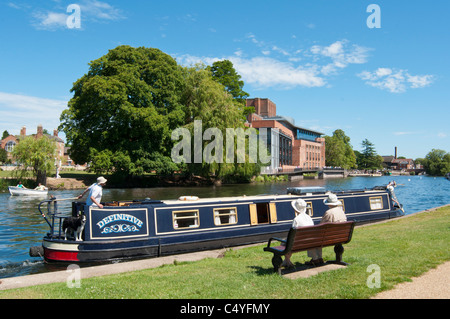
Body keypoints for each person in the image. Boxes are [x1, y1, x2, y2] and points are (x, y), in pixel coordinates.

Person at [307, 193, 347, 266]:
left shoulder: (328, 212)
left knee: (312, 238)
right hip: (342, 236)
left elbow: (321, 226)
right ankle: (319, 258)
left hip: (330, 238)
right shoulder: (342, 211)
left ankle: (316, 258)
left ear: (329, 204)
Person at [282, 198, 314, 268]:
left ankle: (287, 261)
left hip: (298, 244)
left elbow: (293, 235)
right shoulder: (309, 218)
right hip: (309, 242)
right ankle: (285, 262)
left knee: (284, 243)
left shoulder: (296, 219)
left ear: (296, 209)